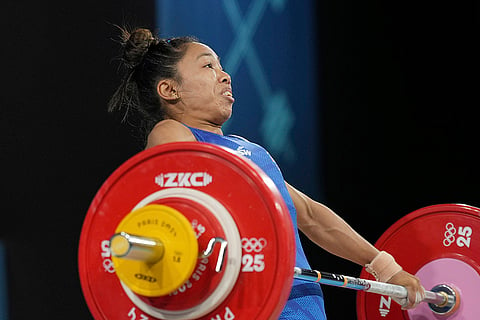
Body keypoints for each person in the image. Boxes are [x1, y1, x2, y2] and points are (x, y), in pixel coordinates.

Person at [108, 27, 425, 319]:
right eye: (208, 67)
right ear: (169, 89)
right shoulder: (171, 132)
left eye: (221, 67)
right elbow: (180, 206)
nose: (225, 76)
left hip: (301, 304)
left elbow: (313, 217)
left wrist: (385, 267)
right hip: (243, 304)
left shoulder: (248, 150)